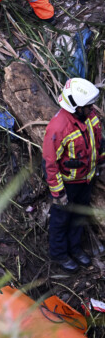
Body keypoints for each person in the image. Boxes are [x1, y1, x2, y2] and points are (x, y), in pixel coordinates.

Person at [42, 78, 103, 273]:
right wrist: (58, 193)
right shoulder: (59, 127)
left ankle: (75, 249)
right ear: (76, 106)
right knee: (61, 220)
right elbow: (50, 164)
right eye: (88, 106)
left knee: (78, 217)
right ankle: (59, 254)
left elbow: (97, 143)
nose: (92, 109)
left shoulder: (89, 116)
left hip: (87, 179)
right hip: (68, 183)